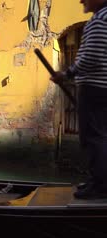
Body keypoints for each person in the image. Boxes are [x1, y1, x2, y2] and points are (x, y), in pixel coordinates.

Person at [50, 0, 107, 199]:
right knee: (100, 136)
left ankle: (100, 186)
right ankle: (98, 180)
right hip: (102, 88)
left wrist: (66, 74)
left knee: (93, 138)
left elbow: (92, 57)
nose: (81, 0)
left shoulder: (99, 20)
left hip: (95, 88)